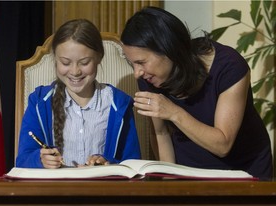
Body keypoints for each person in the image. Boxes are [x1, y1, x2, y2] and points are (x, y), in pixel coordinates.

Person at [120, 6, 273, 180]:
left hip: (244, 170)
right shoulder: (149, 78)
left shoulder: (229, 66)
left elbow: (223, 145)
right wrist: (169, 182)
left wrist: (174, 112)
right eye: (132, 64)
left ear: (168, 50)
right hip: (188, 171)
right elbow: (161, 134)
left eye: (141, 62)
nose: (137, 72)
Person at [16, 19, 141, 169]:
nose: (75, 71)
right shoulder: (39, 103)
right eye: (66, 63)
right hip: (54, 190)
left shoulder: (119, 103)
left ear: (99, 57)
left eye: (84, 62)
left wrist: (108, 163)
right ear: (55, 59)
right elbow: (22, 161)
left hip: (103, 190)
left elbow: (132, 163)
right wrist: (40, 160)